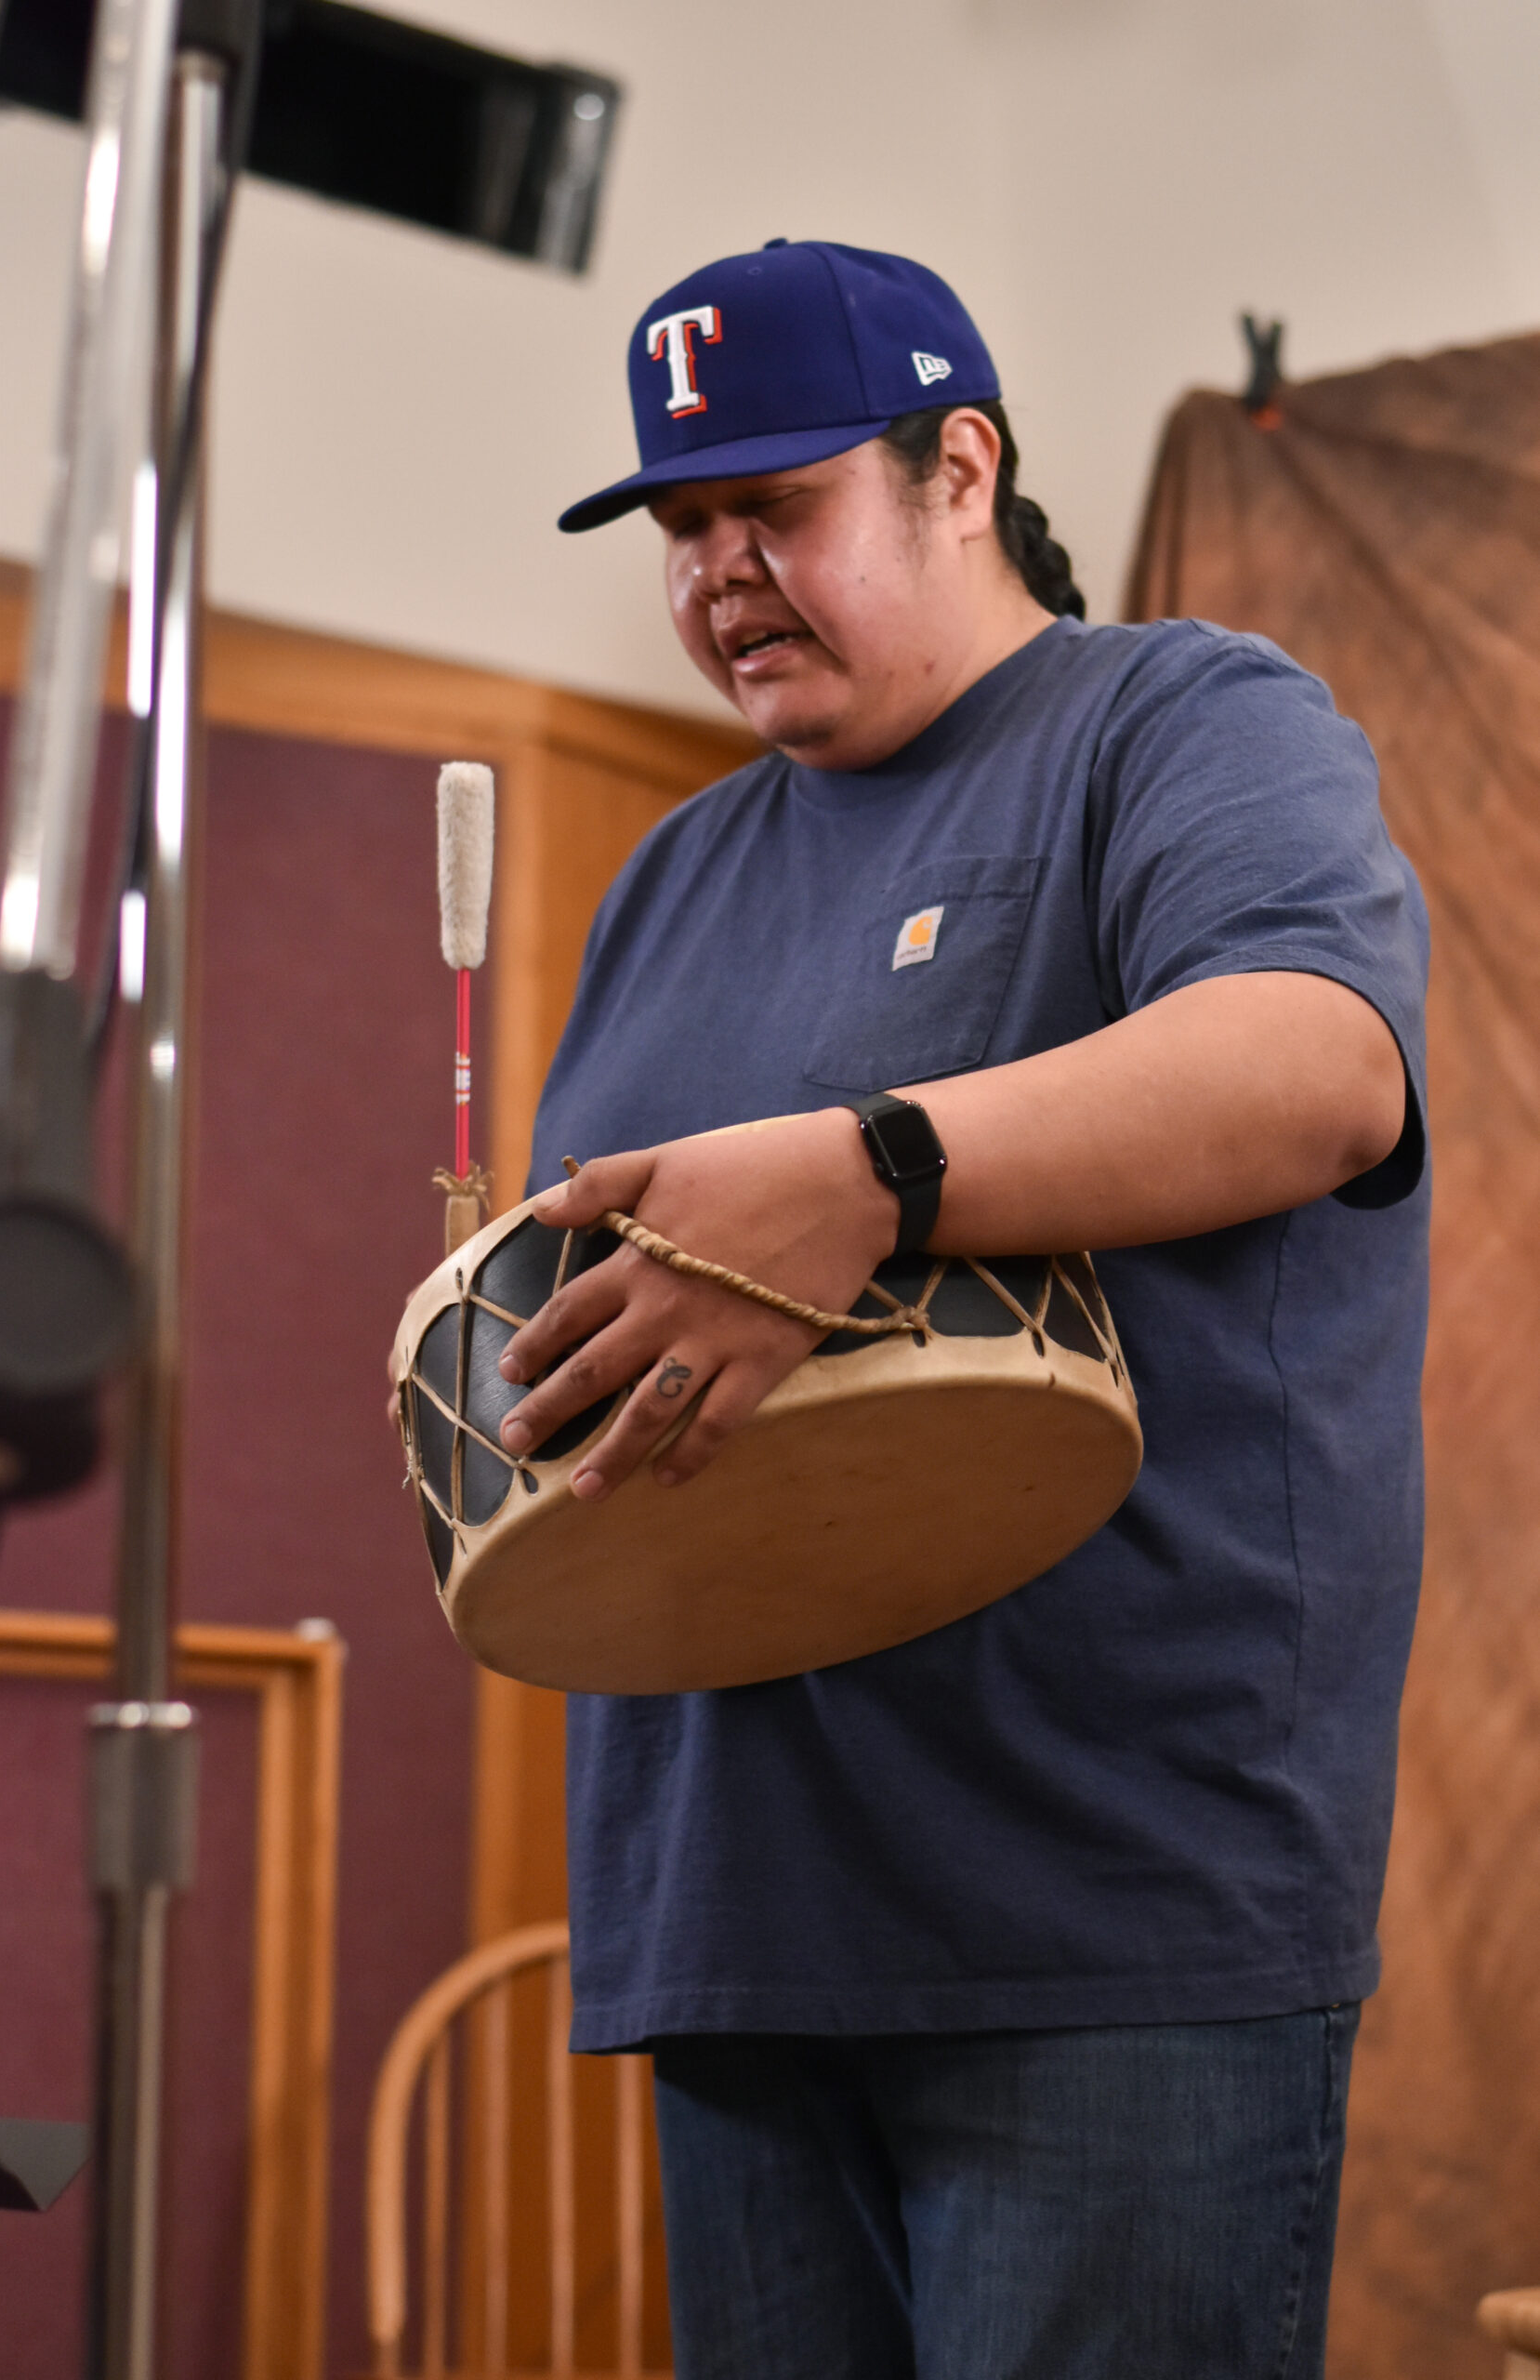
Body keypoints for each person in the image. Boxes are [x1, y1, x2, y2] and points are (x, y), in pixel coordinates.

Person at [496, 241, 1428, 2379]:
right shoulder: (671, 870)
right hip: (727, 1917)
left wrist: (871, 1168)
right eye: (678, 530)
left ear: (958, 468)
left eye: (774, 507)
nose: (719, 571)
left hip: (1103, 1910)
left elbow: (1315, 1059)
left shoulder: (1183, 720)